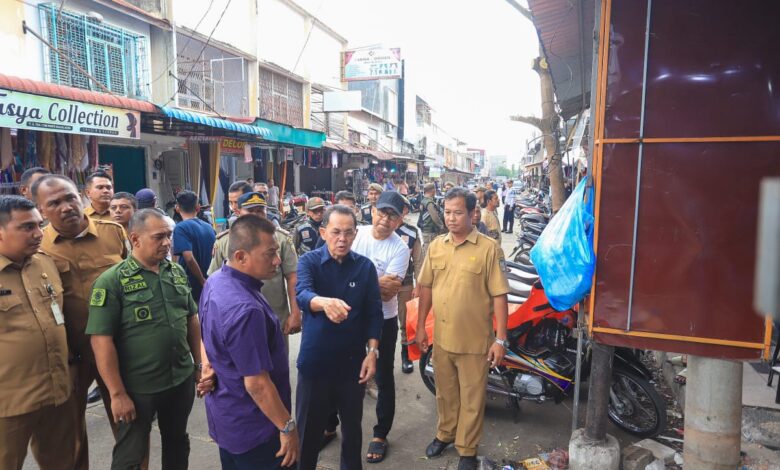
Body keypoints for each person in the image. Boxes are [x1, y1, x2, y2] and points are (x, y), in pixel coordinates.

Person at [87, 209, 204, 470]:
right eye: (158, 237)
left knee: (177, 442)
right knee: (131, 453)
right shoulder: (111, 282)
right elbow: (101, 340)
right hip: (139, 387)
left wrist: (197, 364)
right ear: (135, 239)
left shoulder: (175, 272)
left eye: (169, 236)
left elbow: (191, 320)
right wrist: (117, 394)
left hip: (179, 379)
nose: (166, 243)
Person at [33, 174, 128, 469]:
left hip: (116, 347)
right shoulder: (37, 248)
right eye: (54, 203)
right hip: (70, 354)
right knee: (70, 432)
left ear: (82, 197)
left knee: (127, 423)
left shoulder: (113, 233)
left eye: (70, 198)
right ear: (41, 210)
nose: (66, 207)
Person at [416, 188, 509, 470]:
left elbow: (500, 296)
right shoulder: (436, 246)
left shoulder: (489, 249)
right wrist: (420, 327)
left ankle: (467, 449)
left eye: (458, 212)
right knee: (445, 393)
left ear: (472, 214)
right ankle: (445, 434)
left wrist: (501, 340)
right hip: (442, 340)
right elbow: (426, 288)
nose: (451, 218)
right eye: (447, 212)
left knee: (472, 396)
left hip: (474, 342)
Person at [200, 215, 299, 469]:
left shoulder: (215, 281)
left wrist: (207, 364)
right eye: (270, 254)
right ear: (241, 257)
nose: (277, 261)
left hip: (228, 420)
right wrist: (287, 427)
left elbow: (207, 337)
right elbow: (257, 383)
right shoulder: (246, 309)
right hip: (257, 427)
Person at [295, 205, 383, 470]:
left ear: (355, 234)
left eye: (347, 233)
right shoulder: (308, 262)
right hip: (315, 364)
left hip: (352, 364)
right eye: (335, 232)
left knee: (353, 432)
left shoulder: (365, 267)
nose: (341, 239)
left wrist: (372, 353)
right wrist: (323, 302)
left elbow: (374, 313)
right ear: (323, 232)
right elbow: (302, 294)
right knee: (308, 434)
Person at [0, 195, 76, 470]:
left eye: (38, 225)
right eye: (27, 227)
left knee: (62, 462)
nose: (38, 233)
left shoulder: (44, 264)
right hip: (8, 404)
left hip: (56, 393)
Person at [350, 191, 410, 464]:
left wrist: (352, 284)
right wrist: (373, 283)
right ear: (372, 210)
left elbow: (387, 295)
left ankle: (381, 433)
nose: (385, 220)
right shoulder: (355, 234)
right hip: (349, 317)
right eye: (382, 212)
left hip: (383, 319)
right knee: (340, 369)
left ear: (399, 221)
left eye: (392, 216)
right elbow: (337, 274)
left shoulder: (399, 248)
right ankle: (329, 424)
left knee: (384, 376)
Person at [208, 191, 302, 348]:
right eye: (251, 211)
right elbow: (213, 283)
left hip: (275, 318)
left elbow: (292, 277)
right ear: (238, 212)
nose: (256, 215)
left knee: (278, 366)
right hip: (237, 321)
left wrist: (295, 312)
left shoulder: (280, 239)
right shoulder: (225, 241)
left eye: (260, 210)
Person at [394, 198, 423, 374]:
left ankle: (406, 355)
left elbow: (419, 262)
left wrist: (418, 286)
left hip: (404, 285)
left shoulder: (411, 233)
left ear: (405, 211)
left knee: (405, 322)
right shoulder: (379, 231)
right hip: (379, 288)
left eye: (400, 209)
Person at [172, 190, 216, 302]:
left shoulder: (180, 228)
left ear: (177, 208)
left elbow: (188, 257)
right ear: (198, 207)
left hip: (191, 285)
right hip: (211, 282)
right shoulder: (209, 227)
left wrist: (201, 280)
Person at [418, 183, 445, 254]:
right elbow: (435, 217)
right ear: (432, 190)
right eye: (435, 189)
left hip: (425, 229)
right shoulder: (429, 203)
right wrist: (441, 226)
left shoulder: (424, 200)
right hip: (430, 231)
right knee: (429, 250)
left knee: (427, 247)